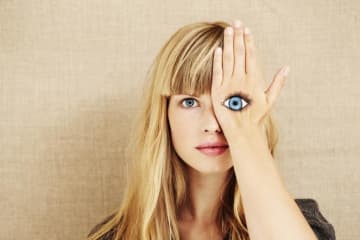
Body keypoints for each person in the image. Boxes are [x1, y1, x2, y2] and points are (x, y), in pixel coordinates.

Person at [87, 19, 336, 240]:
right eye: (190, 102)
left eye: (233, 102)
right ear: (164, 116)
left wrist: (246, 132)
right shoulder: (114, 236)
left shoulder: (301, 223)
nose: (213, 125)